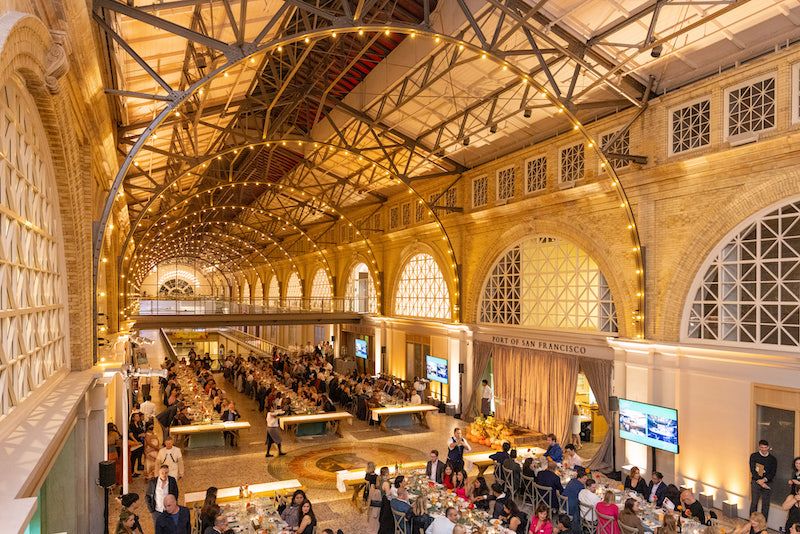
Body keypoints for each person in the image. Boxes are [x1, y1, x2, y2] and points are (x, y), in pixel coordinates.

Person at [749, 439, 777, 519]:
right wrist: (760, 481)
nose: (764, 449)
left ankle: (763, 523)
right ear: (759, 447)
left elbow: (773, 472)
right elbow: (752, 470)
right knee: (754, 503)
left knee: (766, 504)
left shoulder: (772, 459)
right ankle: (752, 521)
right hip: (756, 482)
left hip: (768, 483)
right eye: (762, 447)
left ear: (768, 447)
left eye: (765, 447)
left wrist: (764, 480)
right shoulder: (754, 456)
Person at [564, 468, 588, 534]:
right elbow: (583, 500)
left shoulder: (572, 481)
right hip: (571, 508)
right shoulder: (580, 487)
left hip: (564, 503)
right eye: (584, 479)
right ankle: (578, 530)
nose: (586, 481)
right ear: (579, 478)